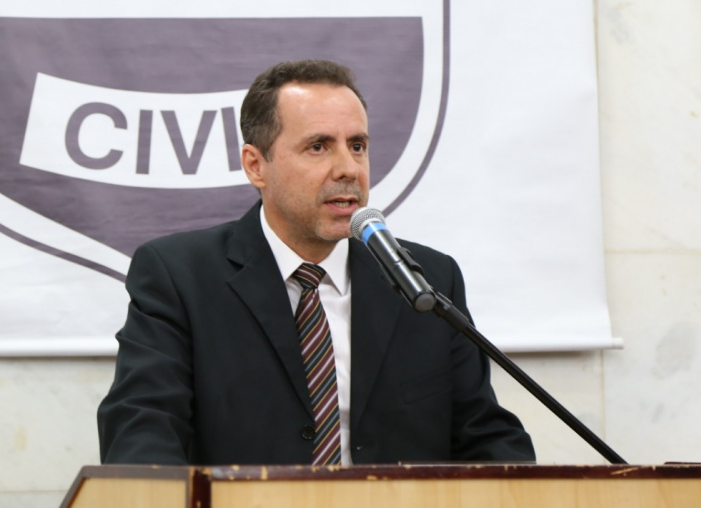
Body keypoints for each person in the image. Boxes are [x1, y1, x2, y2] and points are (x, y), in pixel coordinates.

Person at [97, 59, 535, 465]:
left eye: (357, 145)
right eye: (319, 147)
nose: (349, 169)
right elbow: (142, 430)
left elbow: (486, 437)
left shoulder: (426, 282)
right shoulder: (180, 277)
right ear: (256, 165)